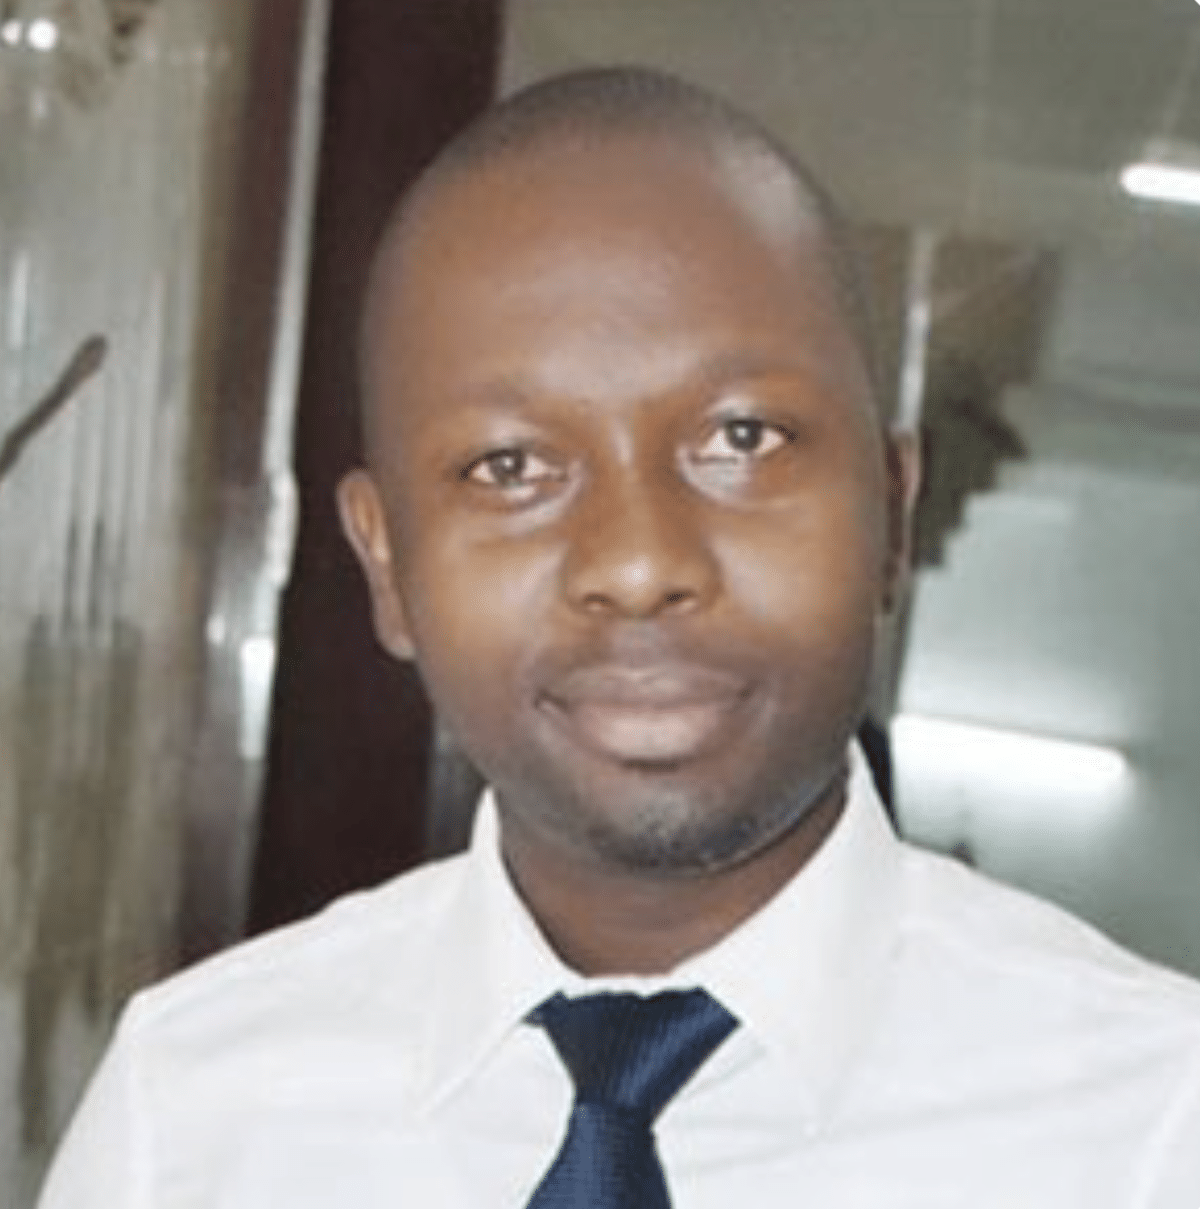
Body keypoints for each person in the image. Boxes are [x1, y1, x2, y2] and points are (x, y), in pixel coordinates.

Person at [38, 67, 1200, 1208]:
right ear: (385, 562)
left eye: (742, 438)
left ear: (892, 514)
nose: (639, 565)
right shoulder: (191, 1114)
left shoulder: (1154, 1125)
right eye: (510, 467)